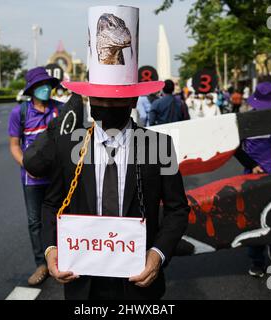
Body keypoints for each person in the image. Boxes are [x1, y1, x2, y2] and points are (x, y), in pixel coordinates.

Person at [39, 6, 190, 300]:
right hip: (82, 283)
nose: (107, 106)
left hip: (138, 285)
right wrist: (51, 249)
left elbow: (177, 210)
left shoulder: (158, 146)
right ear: (89, 97)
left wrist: (157, 255)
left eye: (115, 99)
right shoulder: (69, 146)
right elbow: (51, 205)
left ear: (133, 99)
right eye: (100, 98)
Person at [8, 67, 62, 286]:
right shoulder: (19, 113)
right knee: (35, 221)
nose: (45, 89)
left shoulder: (60, 110)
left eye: (47, 84)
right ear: (32, 89)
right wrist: (27, 165)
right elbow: (14, 146)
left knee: (62, 218)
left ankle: (62, 260)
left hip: (58, 177)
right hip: (31, 179)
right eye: (40, 85)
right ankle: (41, 264)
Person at [234, 82, 271, 278]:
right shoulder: (246, 120)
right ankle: (257, 260)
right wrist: (251, 164)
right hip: (252, 174)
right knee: (253, 217)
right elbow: (235, 147)